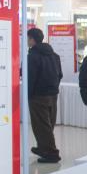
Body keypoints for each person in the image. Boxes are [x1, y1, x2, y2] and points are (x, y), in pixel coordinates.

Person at [27, 28, 63, 163]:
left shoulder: (33, 56)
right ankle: (43, 148)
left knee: (41, 125)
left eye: (28, 38)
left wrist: (29, 94)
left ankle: (52, 153)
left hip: (38, 96)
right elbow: (59, 75)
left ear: (32, 39)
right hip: (52, 94)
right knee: (48, 123)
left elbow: (31, 77)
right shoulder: (54, 55)